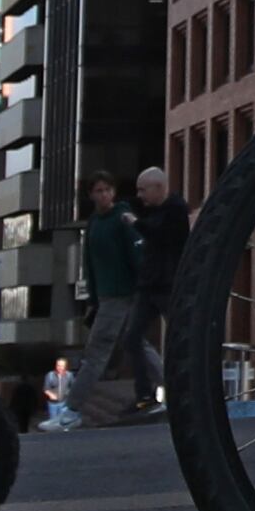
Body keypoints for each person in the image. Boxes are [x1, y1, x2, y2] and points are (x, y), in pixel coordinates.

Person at [70, 172, 142, 424]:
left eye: (107, 190)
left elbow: (137, 254)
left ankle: (72, 408)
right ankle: (172, 388)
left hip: (122, 293)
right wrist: (92, 298)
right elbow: (89, 263)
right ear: (91, 194)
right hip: (105, 295)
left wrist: (140, 286)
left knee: (96, 351)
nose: (103, 195)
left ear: (114, 192)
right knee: (137, 343)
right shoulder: (94, 223)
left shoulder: (122, 218)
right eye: (98, 190)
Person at [119, 164, 185, 413]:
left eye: (143, 190)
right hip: (148, 285)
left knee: (178, 339)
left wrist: (136, 223)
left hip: (168, 285)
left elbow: (160, 234)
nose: (140, 196)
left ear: (159, 187)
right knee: (131, 337)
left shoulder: (176, 210)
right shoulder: (154, 212)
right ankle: (145, 393)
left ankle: (181, 390)